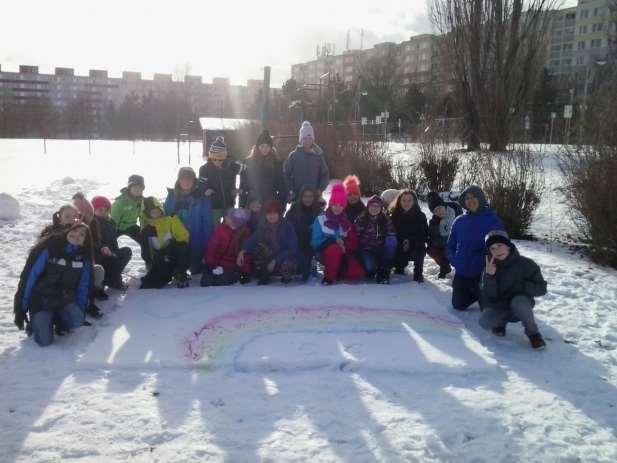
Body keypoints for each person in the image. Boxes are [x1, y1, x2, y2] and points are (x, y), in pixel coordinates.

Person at [13, 222, 94, 347]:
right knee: (45, 342)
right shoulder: (50, 249)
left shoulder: (84, 258)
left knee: (78, 320)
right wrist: (21, 308)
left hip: (63, 300)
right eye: (74, 230)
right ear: (67, 231)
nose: (77, 235)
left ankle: (57, 318)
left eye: (82, 234)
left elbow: (83, 286)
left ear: (85, 241)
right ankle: (35, 323)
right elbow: (30, 278)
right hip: (41, 301)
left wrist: (80, 312)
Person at [479, 230, 547, 349]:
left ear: (508, 246)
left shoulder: (526, 264)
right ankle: (501, 324)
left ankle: (533, 334)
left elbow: (542, 289)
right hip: (501, 306)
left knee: (518, 301)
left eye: (500, 245)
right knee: (484, 321)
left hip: (520, 305)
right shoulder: (489, 267)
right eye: (492, 248)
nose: (497, 251)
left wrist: (523, 286)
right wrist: (490, 276)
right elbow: (489, 296)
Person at [447, 185, 505, 311]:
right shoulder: (459, 221)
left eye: (474, 197)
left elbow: (502, 248)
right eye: (467, 198)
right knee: (458, 305)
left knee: (487, 310)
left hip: (482, 273)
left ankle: (486, 295)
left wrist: (487, 264)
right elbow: (450, 245)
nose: (470, 200)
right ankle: (476, 295)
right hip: (462, 270)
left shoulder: (493, 220)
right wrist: (454, 260)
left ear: (481, 198)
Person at [311, 183, 364, 285]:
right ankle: (328, 278)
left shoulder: (346, 222)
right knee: (334, 249)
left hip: (343, 253)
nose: (337, 208)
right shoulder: (321, 219)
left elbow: (353, 241)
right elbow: (315, 242)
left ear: (344, 206)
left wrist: (344, 245)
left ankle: (339, 270)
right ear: (330, 204)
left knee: (357, 273)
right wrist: (333, 241)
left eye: (340, 205)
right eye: (335, 204)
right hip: (322, 252)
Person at [164, 166, 214, 274]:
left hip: (196, 239)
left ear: (194, 180)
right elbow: (167, 218)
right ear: (179, 180)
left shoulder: (202, 197)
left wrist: (208, 243)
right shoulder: (172, 196)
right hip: (178, 240)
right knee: (176, 269)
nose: (186, 182)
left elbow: (207, 221)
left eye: (189, 179)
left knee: (196, 270)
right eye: (183, 179)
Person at [237, 199, 300, 285]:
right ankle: (264, 272)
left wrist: (276, 260)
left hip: (284, 257)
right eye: (269, 213)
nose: (272, 216)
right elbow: (253, 239)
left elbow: (293, 248)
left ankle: (286, 276)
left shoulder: (287, 226)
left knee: (289, 262)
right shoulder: (262, 225)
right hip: (270, 256)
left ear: (279, 214)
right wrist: (242, 250)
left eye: (274, 213)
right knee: (258, 249)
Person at [139, 197, 191, 289]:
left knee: (183, 247)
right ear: (147, 215)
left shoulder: (171, 220)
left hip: (174, 254)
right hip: (160, 259)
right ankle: (165, 274)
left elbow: (184, 237)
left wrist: (171, 243)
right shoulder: (146, 231)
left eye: (157, 210)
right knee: (150, 284)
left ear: (161, 209)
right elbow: (146, 252)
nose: (156, 213)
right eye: (152, 212)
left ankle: (180, 273)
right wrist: (151, 263)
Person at [201, 208, 252, 287]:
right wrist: (209, 263)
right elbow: (211, 248)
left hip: (229, 266)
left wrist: (245, 271)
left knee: (223, 280)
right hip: (214, 264)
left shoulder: (243, 234)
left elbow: (245, 255)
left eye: (229, 217)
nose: (225, 217)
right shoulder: (220, 230)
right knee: (206, 282)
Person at [199, 136, 242, 226]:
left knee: (230, 226)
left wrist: (240, 189)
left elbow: (246, 172)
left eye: (220, 159)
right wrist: (205, 190)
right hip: (214, 205)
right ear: (210, 157)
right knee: (215, 227)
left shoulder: (231, 166)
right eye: (214, 159)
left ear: (225, 157)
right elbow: (201, 184)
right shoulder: (205, 169)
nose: (217, 161)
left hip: (229, 202)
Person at [91, 195, 132, 290]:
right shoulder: (93, 223)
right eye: (100, 209)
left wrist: (114, 253)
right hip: (99, 254)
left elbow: (113, 241)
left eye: (106, 210)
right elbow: (93, 241)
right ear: (94, 210)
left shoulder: (111, 223)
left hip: (110, 252)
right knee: (111, 260)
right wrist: (103, 248)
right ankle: (106, 281)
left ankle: (113, 279)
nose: (103, 212)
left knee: (126, 251)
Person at [355, 195, 397, 284]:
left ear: (381, 208)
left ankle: (384, 272)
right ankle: (372, 269)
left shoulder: (385, 219)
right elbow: (355, 235)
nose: (374, 208)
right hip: (366, 250)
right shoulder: (361, 219)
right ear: (368, 207)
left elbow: (391, 233)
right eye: (372, 206)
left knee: (392, 242)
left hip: (381, 248)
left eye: (377, 206)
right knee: (370, 268)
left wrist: (389, 243)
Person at [283, 121, 329, 202]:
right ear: (300, 140)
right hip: (298, 196)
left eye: (309, 138)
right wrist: (291, 190)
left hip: (314, 197)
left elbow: (325, 174)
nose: (307, 141)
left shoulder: (318, 155)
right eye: (304, 138)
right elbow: (286, 173)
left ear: (313, 139)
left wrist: (320, 189)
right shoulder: (294, 155)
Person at [240, 130, 288, 207]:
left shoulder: (276, 163)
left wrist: (281, 204)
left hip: (271, 202)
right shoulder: (249, 162)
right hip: (253, 202)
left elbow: (282, 185)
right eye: (262, 146)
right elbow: (244, 185)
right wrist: (243, 205)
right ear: (257, 147)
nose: (265, 149)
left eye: (267, 146)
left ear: (271, 147)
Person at [389, 189, 428, 282]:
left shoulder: (420, 216)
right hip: (398, 245)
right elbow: (390, 233)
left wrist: (409, 241)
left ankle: (418, 273)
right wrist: (402, 241)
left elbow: (424, 234)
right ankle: (398, 266)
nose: (407, 203)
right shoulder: (393, 215)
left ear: (414, 201)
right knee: (391, 245)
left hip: (414, 246)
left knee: (421, 247)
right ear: (399, 201)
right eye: (404, 200)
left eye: (410, 200)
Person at [111, 174, 149, 265]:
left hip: (131, 226)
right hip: (118, 226)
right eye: (135, 187)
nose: (137, 189)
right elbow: (113, 219)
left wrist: (143, 229)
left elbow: (142, 216)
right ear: (129, 187)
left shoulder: (142, 201)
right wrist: (112, 233)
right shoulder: (120, 201)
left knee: (145, 240)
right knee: (110, 242)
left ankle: (149, 261)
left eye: (140, 187)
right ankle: (112, 261)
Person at [285, 186, 321, 281]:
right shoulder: (293, 210)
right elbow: (288, 228)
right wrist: (305, 228)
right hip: (297, 244)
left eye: (310, 196)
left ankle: (311, 264)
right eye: (305, 196)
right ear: (301, 197)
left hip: (312, 245)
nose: (308, 199)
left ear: (314, 198)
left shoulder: (319, 211)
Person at [426, 193, 457, 278]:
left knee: (447, 249)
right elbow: (431, 235)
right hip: (440, 244)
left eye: (440, 208)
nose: (438, 212)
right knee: (430, 249)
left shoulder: (453, 215)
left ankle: (459, 269)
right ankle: (445, 266)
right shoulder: (433, 222)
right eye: (435, 211)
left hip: (454, 245)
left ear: (444, 206)